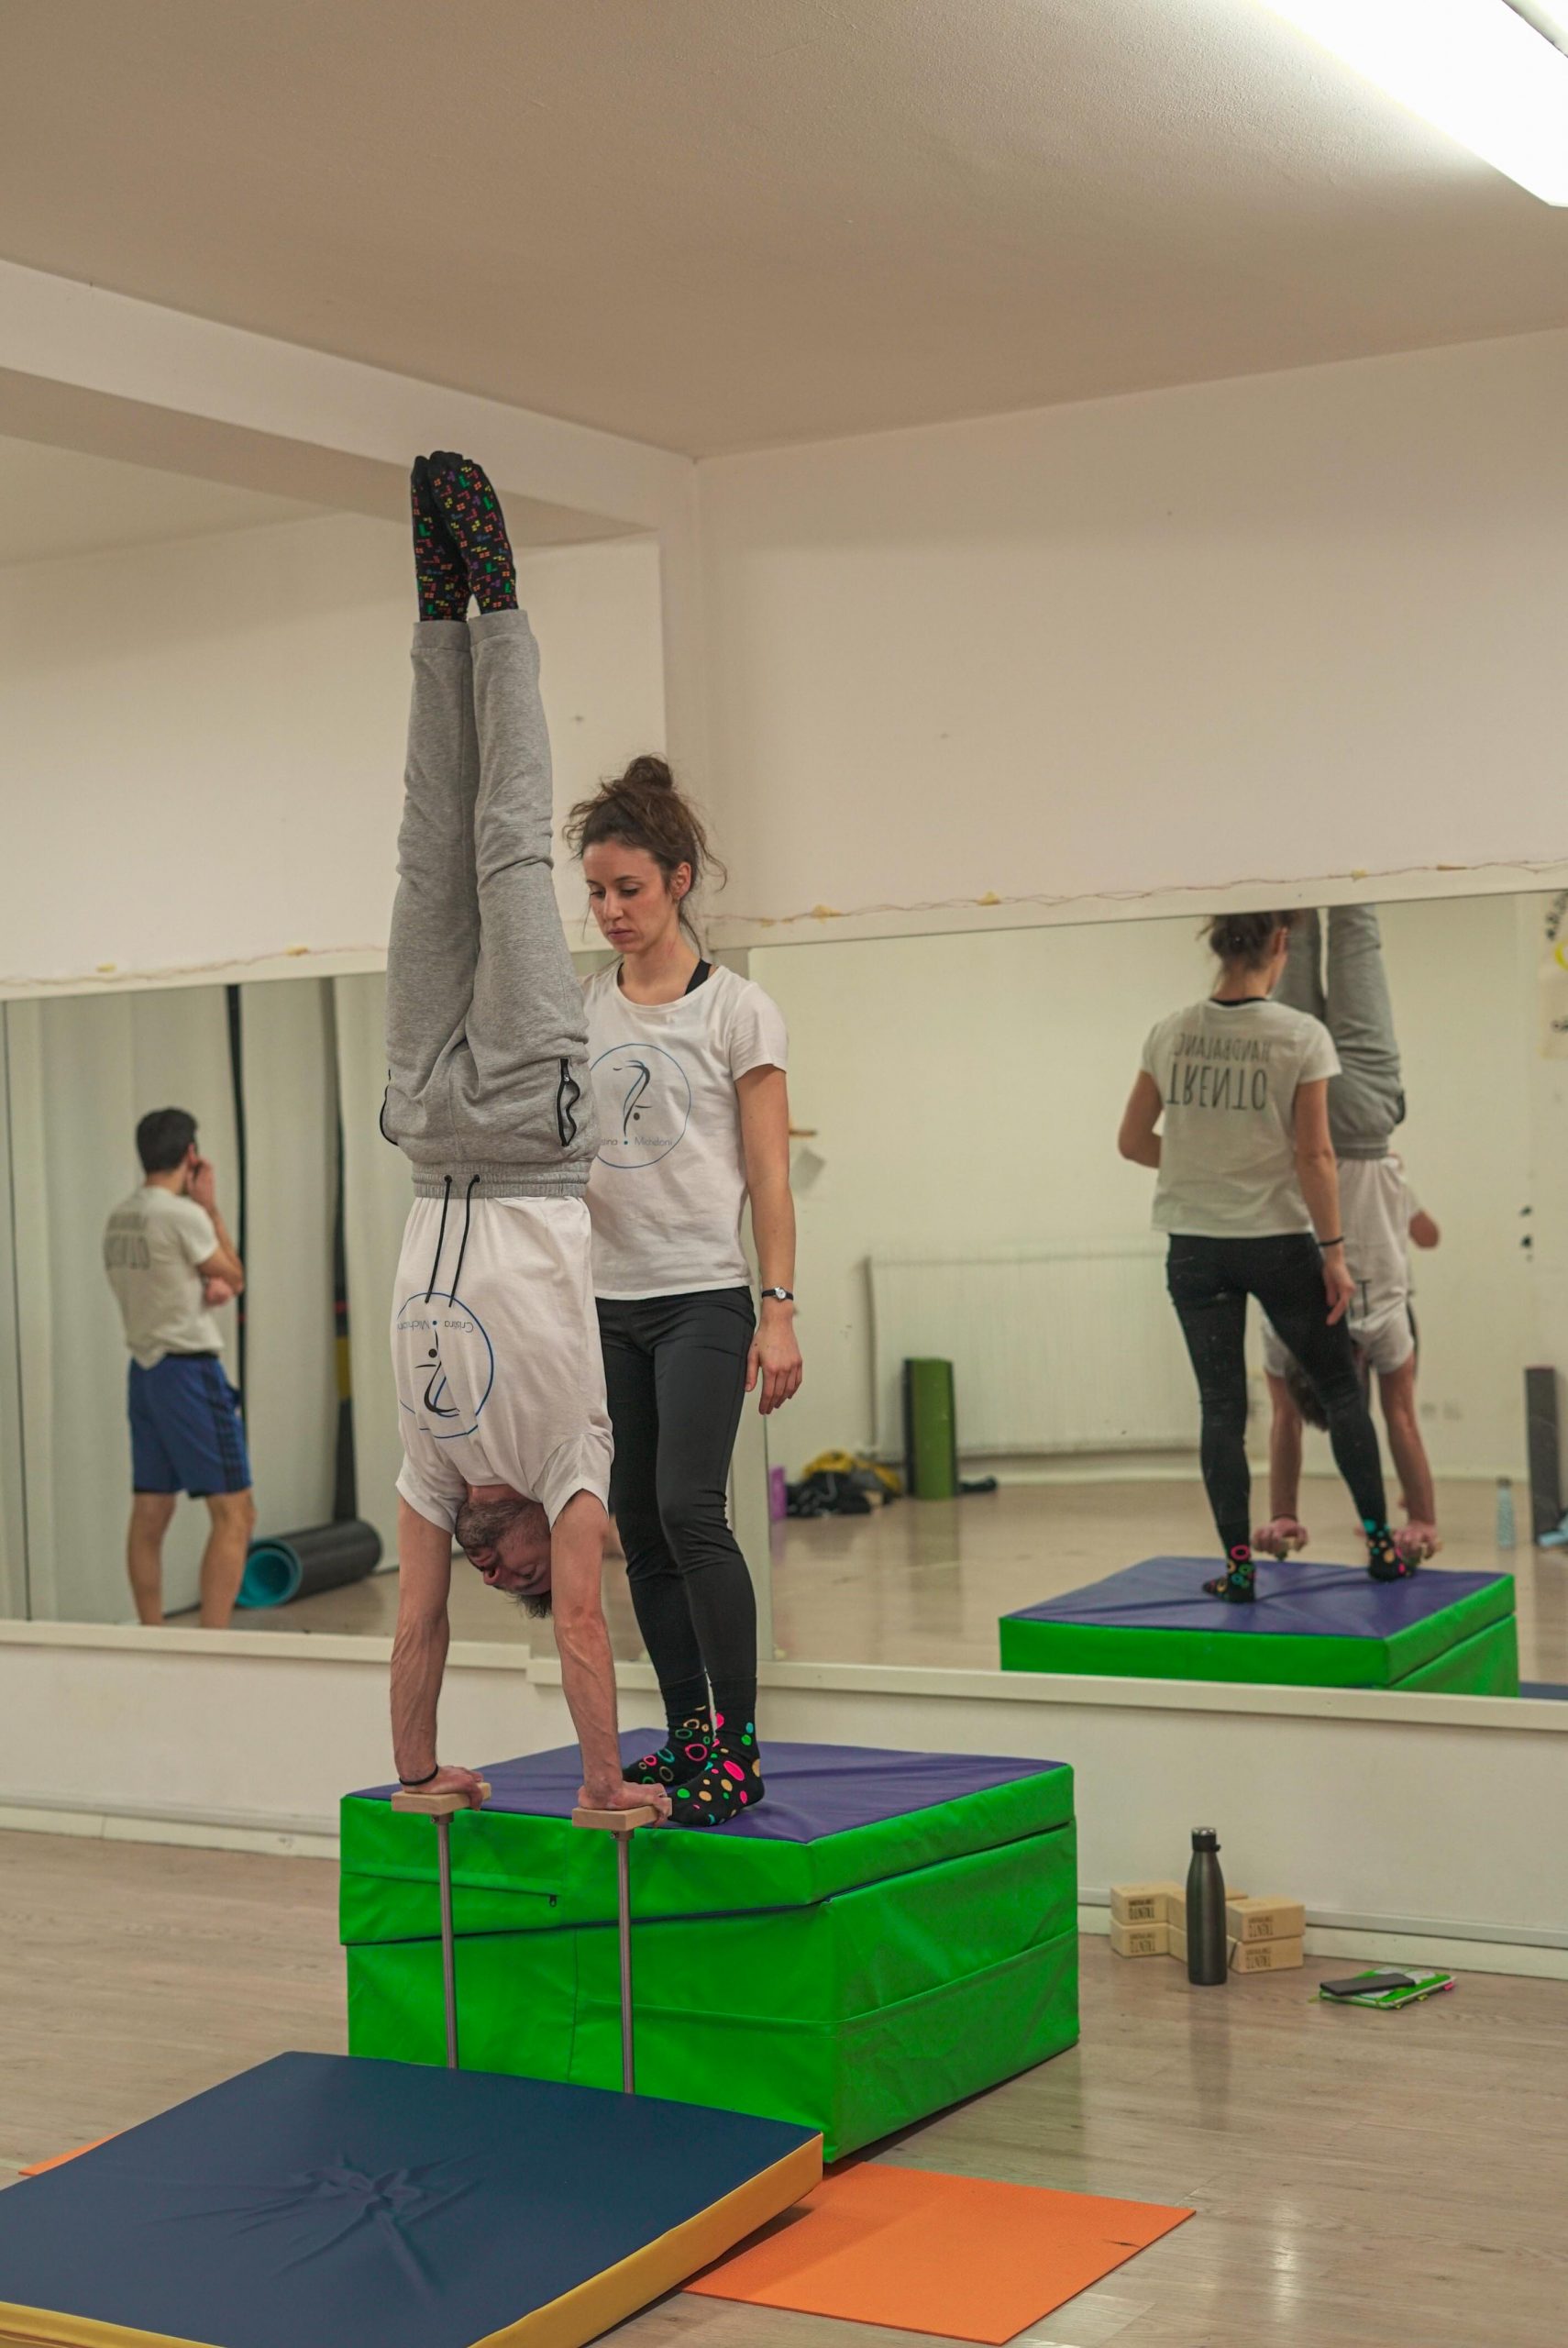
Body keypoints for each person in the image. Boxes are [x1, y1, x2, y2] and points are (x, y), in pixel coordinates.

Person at [382, 450, 668, 1825]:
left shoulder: (433, 1470)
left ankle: (433, 614)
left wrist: (415, 1772)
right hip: (530, 1126)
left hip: (428, 1128)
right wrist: (604, 1785)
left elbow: (414, 1624)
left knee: (426, 852)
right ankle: (494, 600)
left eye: (491, 1576)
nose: (499, 1574)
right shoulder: (570, 1467)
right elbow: (585, 1626)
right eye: (525, 1574)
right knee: (504, 851)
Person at [569, 763, 802, 1825]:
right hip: (606, 1303)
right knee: (638, 1522)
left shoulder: (738, 1011)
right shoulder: (587, 1008)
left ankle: (740, 1749)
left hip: (703, 1295)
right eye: (597, 893)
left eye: (629, 889)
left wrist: (778, 1308)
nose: (612, 911)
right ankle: (690, 1732)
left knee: (688, 1508)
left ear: (678, 879)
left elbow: (769, 1176)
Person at [1118, 910, 1411, 1600]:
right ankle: (1380, 1551)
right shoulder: (1300, 1035)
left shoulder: (1168, 1031)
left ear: (1218, 945)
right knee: (1340, 1392)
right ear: (1281, 943)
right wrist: (1334, 1253)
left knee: (1221, 1409)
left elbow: (1132, 1142)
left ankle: (1240, 1570)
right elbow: (1315, 1155)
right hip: (1277, 1244)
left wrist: (1204, 1171)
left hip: (1195, 1250)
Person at [1252, 908, 1443, 1565]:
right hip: (1301, 1121)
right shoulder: (1283, 1333)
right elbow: (1284, 1420)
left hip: (1361, 1121)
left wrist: (1424, 1521)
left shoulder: (1381, 1328)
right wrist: (1281, 1514)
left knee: (1357, 930)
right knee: (1297, 933)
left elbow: (1400, 1419)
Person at [102, 1108, 254, 1627]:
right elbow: (235, 1274)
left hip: (145, 1374)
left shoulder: (121, 1217)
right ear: (191, 1155)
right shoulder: (181, 1215)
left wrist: (197, 1290)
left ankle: (154, 1638)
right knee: (236, 1513)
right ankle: (212, 1648)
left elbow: (161, 1283)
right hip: (188, 1374)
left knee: (151, 1511)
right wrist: (209, 1207)